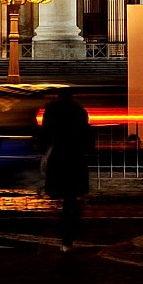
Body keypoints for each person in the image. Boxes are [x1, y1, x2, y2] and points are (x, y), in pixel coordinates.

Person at [34, 90, 94, 251]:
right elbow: (86, 132)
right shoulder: (79, 110)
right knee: (72, 195)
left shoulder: (52, 110)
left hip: (59, 155)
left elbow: (46, 132)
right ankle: (70, 228)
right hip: (76, 155)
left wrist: (44, 150)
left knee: (63, 193)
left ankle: (65, 229)